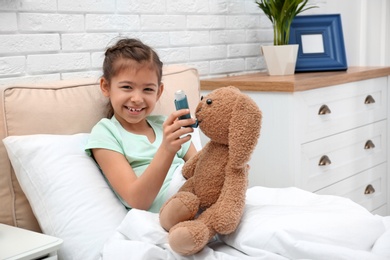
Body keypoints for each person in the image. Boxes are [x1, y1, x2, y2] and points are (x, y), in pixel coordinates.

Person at [85, 38, 198, 213]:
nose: (137, 99)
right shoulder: (106, 133)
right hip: (171, 212)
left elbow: (203, 169)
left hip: (199, 198)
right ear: (106, 86)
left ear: (158, 92)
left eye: (148, 89)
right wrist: (167, 149)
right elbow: (137, 201)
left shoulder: (165, 125)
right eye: (127, 87)